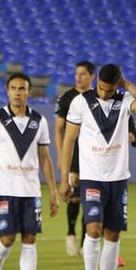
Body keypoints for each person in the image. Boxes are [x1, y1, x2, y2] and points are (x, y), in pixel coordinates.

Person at [59, 64, 136, 270]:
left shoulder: (124, 101)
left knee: (113, 235)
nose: (103, 93)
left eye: (109, 89)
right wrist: (63, 178)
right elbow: (69, 140)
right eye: (100, 88)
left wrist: (127, 85)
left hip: (118, 179)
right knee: (93, 229)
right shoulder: (80, 102)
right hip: (91, 177)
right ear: (96, 81)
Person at [0, 74, 59, 270]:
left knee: (29, 238)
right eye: (13, 88)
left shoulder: (39, 121)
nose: (17, 92)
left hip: (31, 190)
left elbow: (45, 158)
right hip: (5, 189)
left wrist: (52, 191)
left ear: (29, 91)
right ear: (7, 92)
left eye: (22, 88)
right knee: (6, 239)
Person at [56, 61, 95, 257]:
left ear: (92, 76)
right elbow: (59, 128)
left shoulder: (97, 98)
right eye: (76, 73)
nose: (78, 77)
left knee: (89, 198)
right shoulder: (67, 98)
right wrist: (61, 156)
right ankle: (71, 233)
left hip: (92, 156)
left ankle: (83, 242)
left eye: (82, 74)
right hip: (73, 155)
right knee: (74, 197)